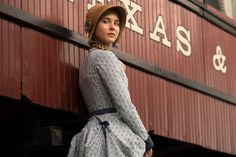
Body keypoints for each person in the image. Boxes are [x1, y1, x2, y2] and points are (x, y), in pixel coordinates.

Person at [67, 4, 154, 157]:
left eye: (116, 23)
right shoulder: (105, 57)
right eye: (106, 21)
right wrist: (145, 138)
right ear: (93, 26)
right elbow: (124, 104)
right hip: (111, 133)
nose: (113, 27)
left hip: (92, 134)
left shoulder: (88, 60)